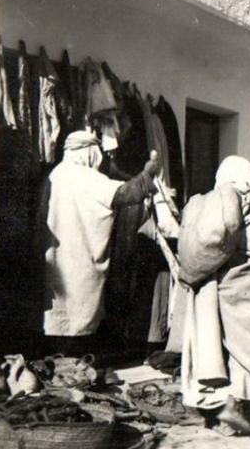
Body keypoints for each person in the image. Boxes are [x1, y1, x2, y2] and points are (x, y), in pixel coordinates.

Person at [179, 156, 250, 436]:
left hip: (225, 285)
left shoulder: (219, 204)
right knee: (249, 345)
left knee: (223, 340)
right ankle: (233, 405)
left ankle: (217, 404)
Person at [39, 131, 161, 355]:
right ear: (88, 152)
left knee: (60, 321)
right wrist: (148, 173)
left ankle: (59, 369)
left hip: (57, 262)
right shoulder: (85, 176)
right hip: (79, 263)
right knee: (77, 324)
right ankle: (73, 370)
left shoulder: (56, 174)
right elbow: (125, 194)